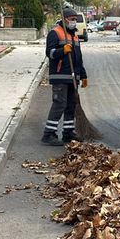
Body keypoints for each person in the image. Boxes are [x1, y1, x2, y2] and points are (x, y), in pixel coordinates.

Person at [42, 8, 88, 146]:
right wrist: (63, 51)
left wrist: (83, 75)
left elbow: (78, 58)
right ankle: (49, 134)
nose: (74, 21)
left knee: (71, 105)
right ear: (64, 19)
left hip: (73, 77)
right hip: (60, 75)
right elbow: (49, 53)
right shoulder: (55, 33)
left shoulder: (74, 36)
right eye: (72, 19)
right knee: (60, 104)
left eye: (75, 19)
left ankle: (68, 132)